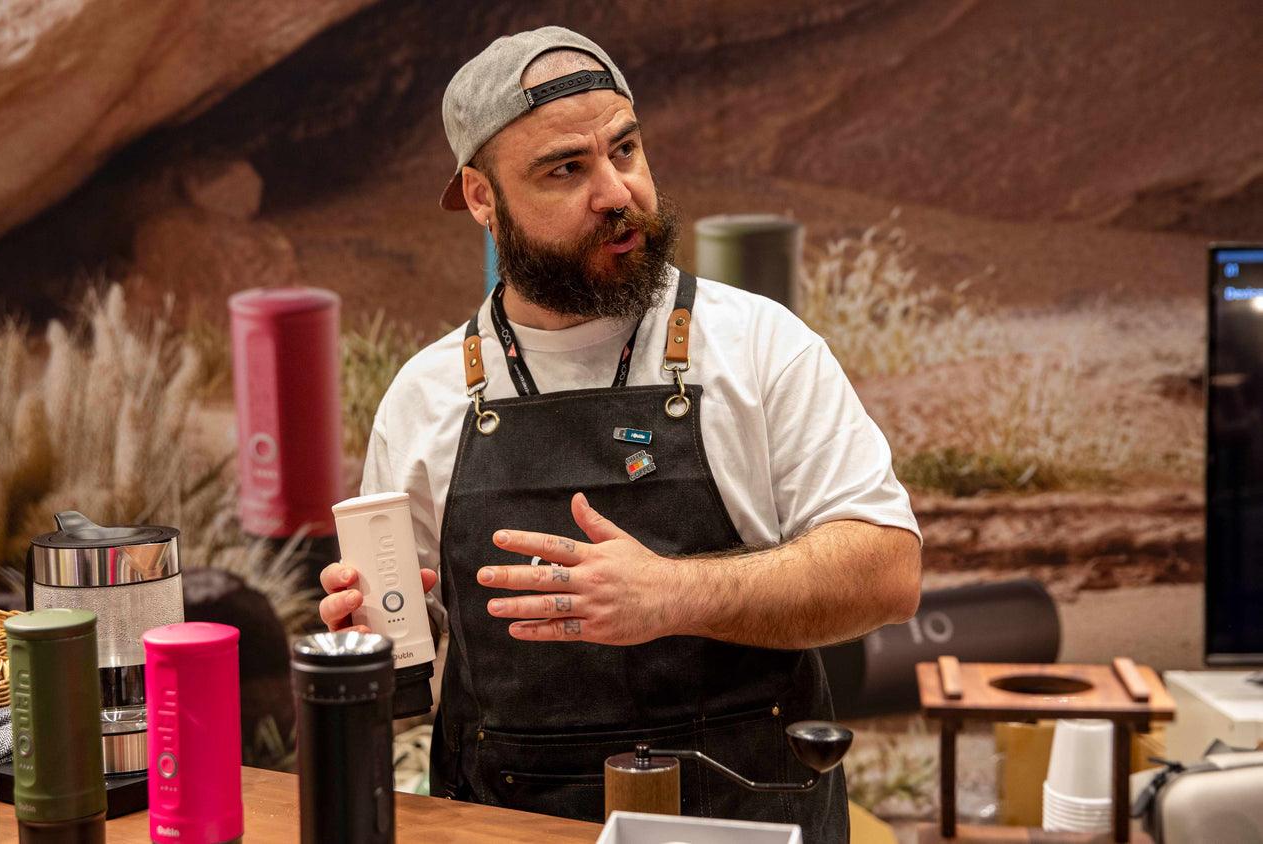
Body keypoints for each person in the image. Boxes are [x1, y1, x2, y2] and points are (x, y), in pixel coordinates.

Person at [317, 26, 921, 841]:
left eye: (625, 150)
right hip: (508, 821)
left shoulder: (759, 347)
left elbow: (887, 570)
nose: (617, 192)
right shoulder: (425, 397)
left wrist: (671, 594)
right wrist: (374, 640)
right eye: (566, 168)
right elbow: (408, 674)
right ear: (482, 197)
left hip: (749, 817)